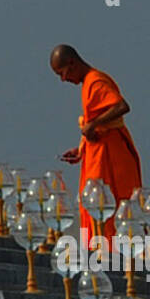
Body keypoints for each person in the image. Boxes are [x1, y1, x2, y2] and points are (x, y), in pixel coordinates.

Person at [51, 44, 142, 243]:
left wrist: (94, 124)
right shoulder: (88, 84)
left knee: (109, 205)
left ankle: (113, 257)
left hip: (112, 156)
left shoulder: (95, 81)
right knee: (95, 205)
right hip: (99, 151)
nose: (63, 79)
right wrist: (81, 149)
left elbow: (121, 106)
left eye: (62, 73)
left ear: (72, 63)